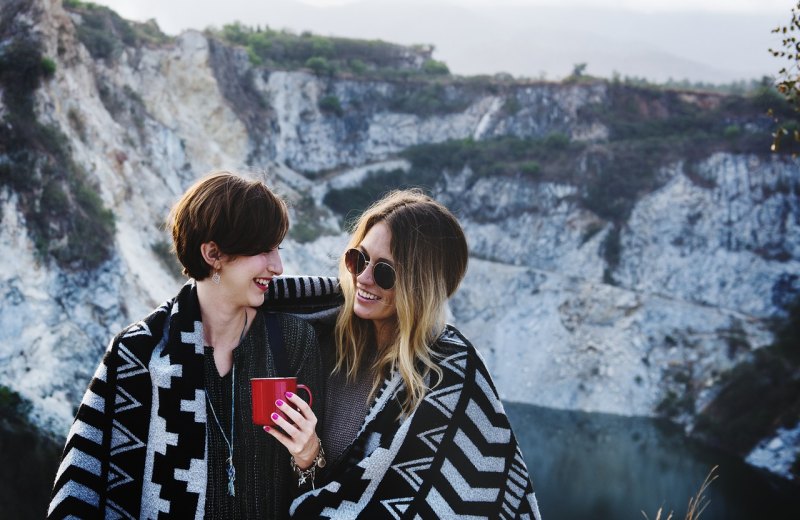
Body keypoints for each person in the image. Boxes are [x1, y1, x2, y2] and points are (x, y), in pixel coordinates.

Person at [48, 171, 324, 519]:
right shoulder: (138, 355)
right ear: (212, 253)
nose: (278, 267)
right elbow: (89, 486)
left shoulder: (293, 341)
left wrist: (309, 455)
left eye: (278, 250)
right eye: (263, 250)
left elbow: (319, 491)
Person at [265, 189, 542, 519]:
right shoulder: (316, 337)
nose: (364, 278)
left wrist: (312, 457)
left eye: (384, 273)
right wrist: (309, 461)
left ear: (419, 285)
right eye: (359, 259)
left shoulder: (452, 377)